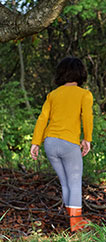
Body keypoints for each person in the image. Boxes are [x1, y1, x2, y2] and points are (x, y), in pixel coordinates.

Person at [30, 56, 94, 232]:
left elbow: (43, 119)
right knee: (74, 183)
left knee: (65, 183)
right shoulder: (84, 94)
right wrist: (87, 139)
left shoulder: (53, 94)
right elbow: (87, 117)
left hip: (50, 143)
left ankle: (72, 221)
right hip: (69, 143)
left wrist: (36, 142)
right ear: (81, 74)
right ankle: (76, 225)